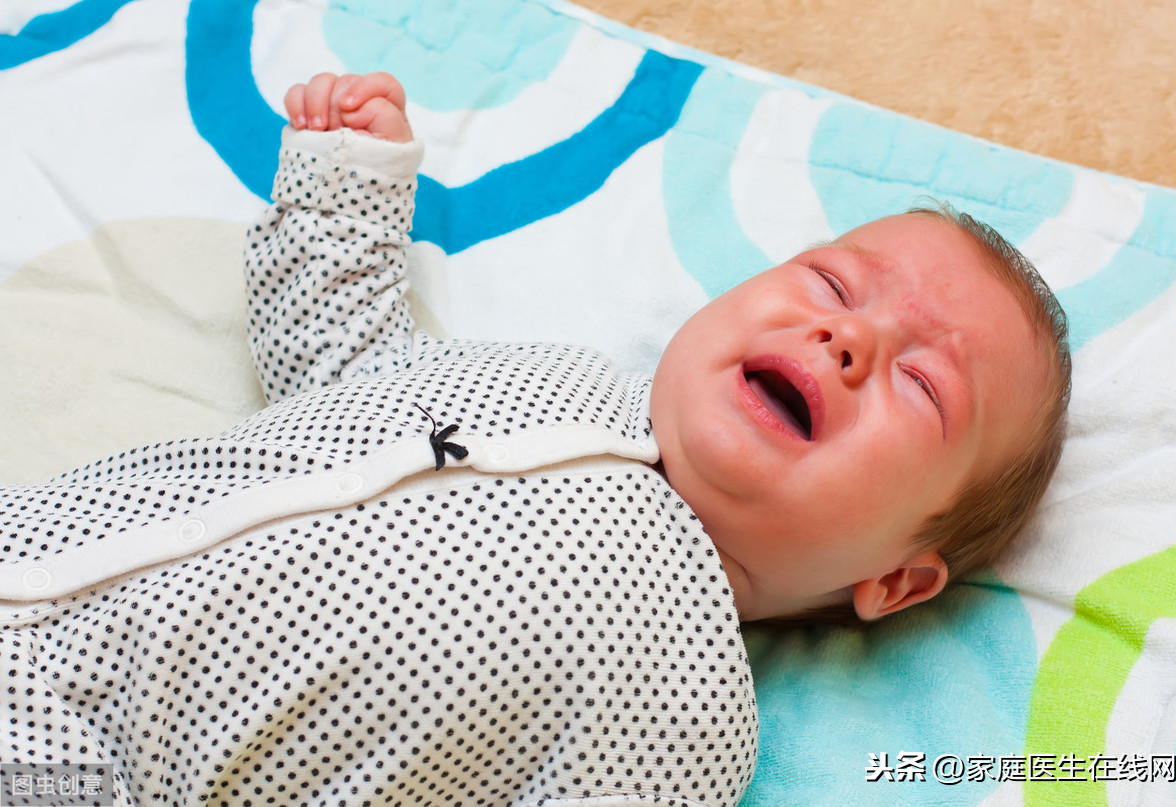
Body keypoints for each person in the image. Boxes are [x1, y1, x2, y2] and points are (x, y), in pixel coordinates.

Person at [0, 72, 1070, 805]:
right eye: (833, 283)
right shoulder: (548, 375)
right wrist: (346, 182)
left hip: (93, 767)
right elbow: (337, 350)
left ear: (896, 579)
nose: (848, 338)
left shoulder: (690, 721)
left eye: (924, 387)